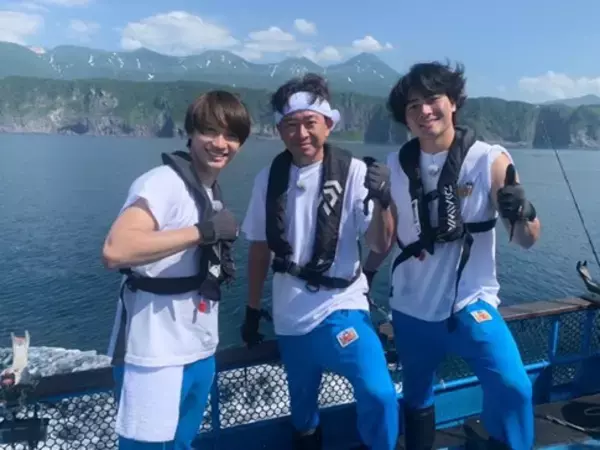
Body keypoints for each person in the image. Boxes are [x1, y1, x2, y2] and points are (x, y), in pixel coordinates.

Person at [367, 60, 541, 450]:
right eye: (413, 106)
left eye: (433, 99)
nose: (424, 111)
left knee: (514, 386)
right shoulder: (394, 167)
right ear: (405, 118)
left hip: (470, 303)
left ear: (454, 102)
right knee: (417, 394)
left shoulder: (489, 160)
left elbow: (526, 240)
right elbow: (382, 242)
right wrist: (378, 208)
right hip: (411, 307)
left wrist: (522, 210)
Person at [239, 73, 399, 450]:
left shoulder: (354, 172)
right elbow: (260, 249)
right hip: (290, 316)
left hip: (341, 306)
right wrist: (251, 310)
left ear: (328, 124)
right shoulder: (268, 179)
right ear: (279, 130)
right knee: (302, 411)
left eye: (310, 122)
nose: (302, 134)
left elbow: (380, 243)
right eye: (291, 125)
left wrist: (384, 201)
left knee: (378, 393)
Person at [101, 90, 251, 450]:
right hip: (154, 354)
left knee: (182, 444)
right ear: (190, 133)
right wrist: (204, 232)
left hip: (198, 348)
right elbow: (116, 250)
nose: (220, 144)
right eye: (209, 131)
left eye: (231, 135)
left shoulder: (208, 189)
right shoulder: (162, 183)